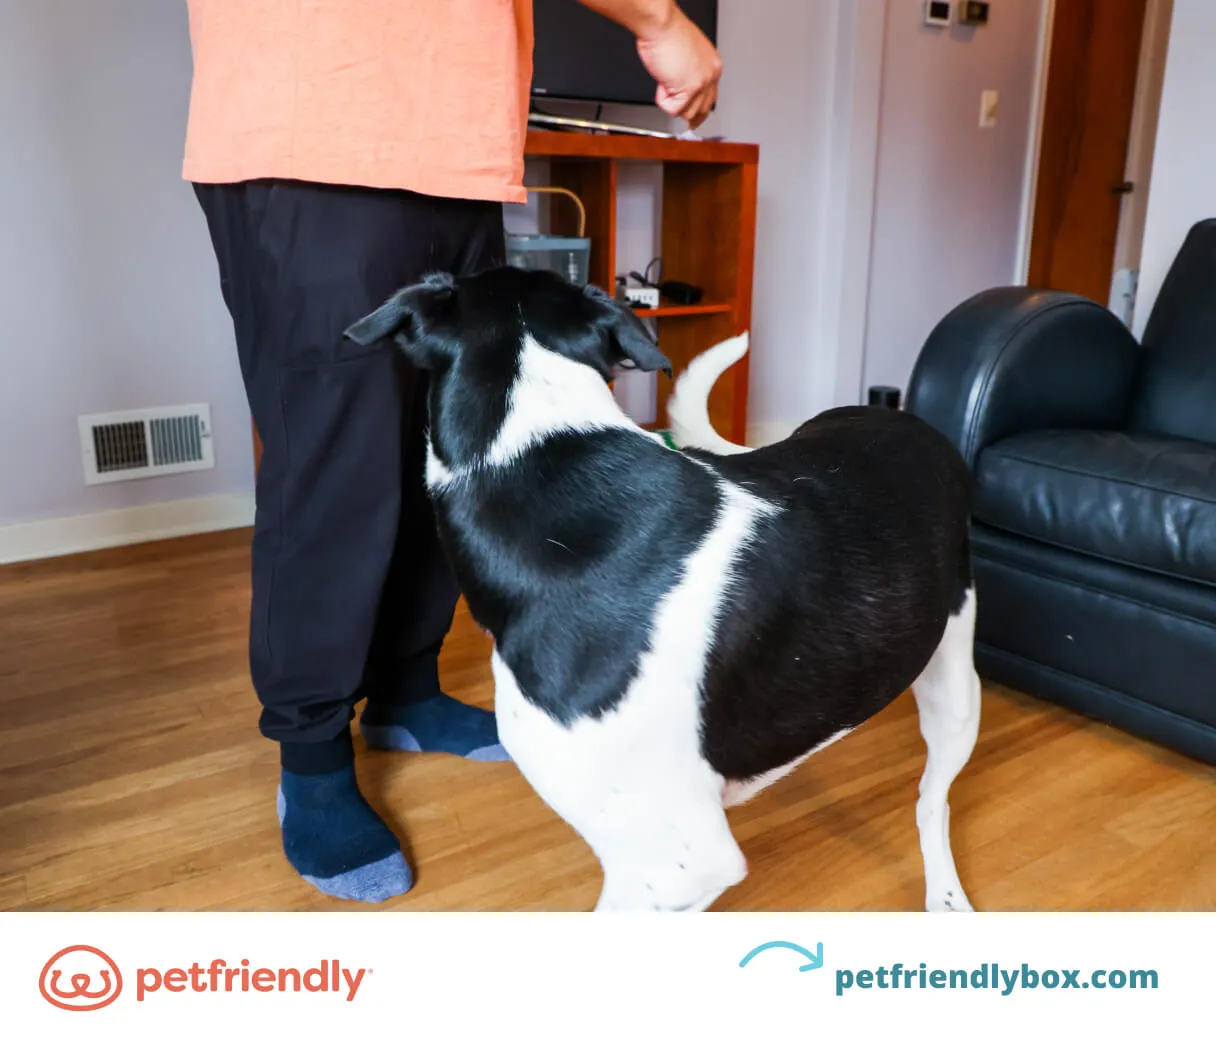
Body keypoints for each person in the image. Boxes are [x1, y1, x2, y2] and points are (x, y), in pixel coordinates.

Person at [183, 0, 722, 903]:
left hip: (456, 148)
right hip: (318, 124)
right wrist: (660, 18)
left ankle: (406, 687)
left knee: (442, 445)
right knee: (336, 471)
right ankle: (313, 756)